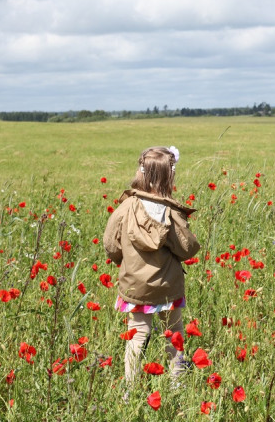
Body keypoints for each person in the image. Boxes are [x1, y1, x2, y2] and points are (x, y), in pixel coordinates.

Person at [103, 146, 200, 385]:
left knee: (137, 334)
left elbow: (110, 245)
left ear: (141, 172)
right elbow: (187, 249)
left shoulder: (125, 208)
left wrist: (125, 262)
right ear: (169, 176)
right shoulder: (171, 212)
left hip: (135, 286)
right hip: (168, 285)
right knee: (173, 331)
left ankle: (130, 389)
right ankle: (177, 382)